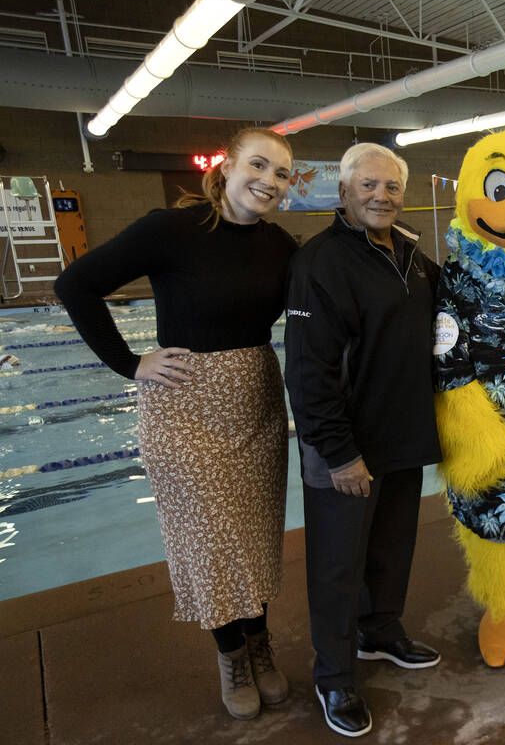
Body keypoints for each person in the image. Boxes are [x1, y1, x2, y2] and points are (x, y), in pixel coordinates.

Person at [54, 127, 296, 720]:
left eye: (282, 173)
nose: (269, 180)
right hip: (184, 407)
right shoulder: (171, 229)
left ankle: (260, 644)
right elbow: (75, 284)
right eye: (259, 166)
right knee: (210, 539)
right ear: (228, 167)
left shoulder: (282, 245)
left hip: (258, 402)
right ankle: (231, 655)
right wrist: (129, 363)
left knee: (256, 534)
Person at [285, 143, 442, 736]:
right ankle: (335, 678)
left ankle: (380, 630)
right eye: (369, 185)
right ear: (344, 192)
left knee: (391, 548)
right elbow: (308, 372)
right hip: (346, 446)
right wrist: (338, 451)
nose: (382, 196)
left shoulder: (413, 256)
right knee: (336, 564)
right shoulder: (320, 263)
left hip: (401, 437)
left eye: (392, 187)